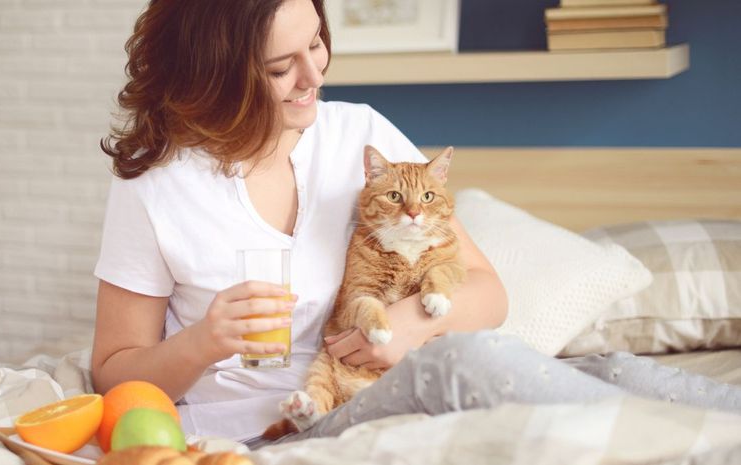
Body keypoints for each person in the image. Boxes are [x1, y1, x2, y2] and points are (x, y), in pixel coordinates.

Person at [91, 0, 741, 449]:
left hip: (374, 388)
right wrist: (205, 340)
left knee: (611, 369)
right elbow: (113, 373)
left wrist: (406, 326)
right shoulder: (155, 186)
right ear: (217, 77)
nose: (315, 75)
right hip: (267, 430)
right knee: (465, 363)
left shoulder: (361, 135)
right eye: (280, 66)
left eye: (316, 41)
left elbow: (487, 292)